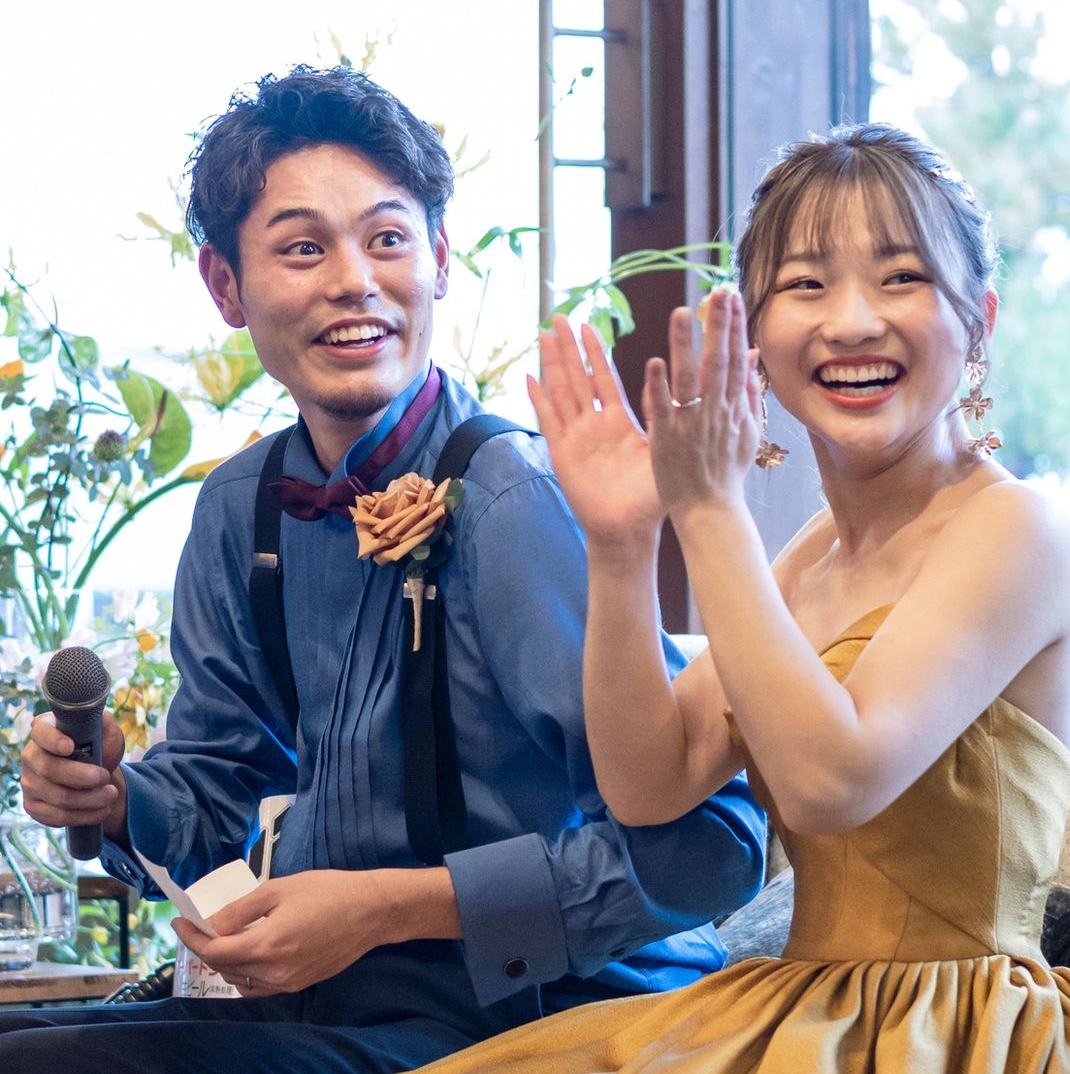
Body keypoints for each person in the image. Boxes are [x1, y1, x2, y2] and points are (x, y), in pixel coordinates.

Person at [3, 65, 765, 1073]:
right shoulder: (241, 511)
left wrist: (384, 907)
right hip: (337, 1006)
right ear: (225, 285)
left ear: (439, 260)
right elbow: (218, 795)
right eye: (303, 247)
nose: (354, 280)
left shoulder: (509, 498)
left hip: (546, 1019)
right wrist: (112, 802)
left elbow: (712, 844)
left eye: (388, 239)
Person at [410, 123, 1070, 1071]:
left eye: (901, 277)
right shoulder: (810, 556)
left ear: (979, 321)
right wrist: (621, 543)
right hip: (806, 1007)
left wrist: (710, 509)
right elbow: (649, 785)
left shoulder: (1017, 526)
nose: (852, 321)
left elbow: (832, 782)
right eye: (806, 285)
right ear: (756, 339)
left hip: (960, 1026)